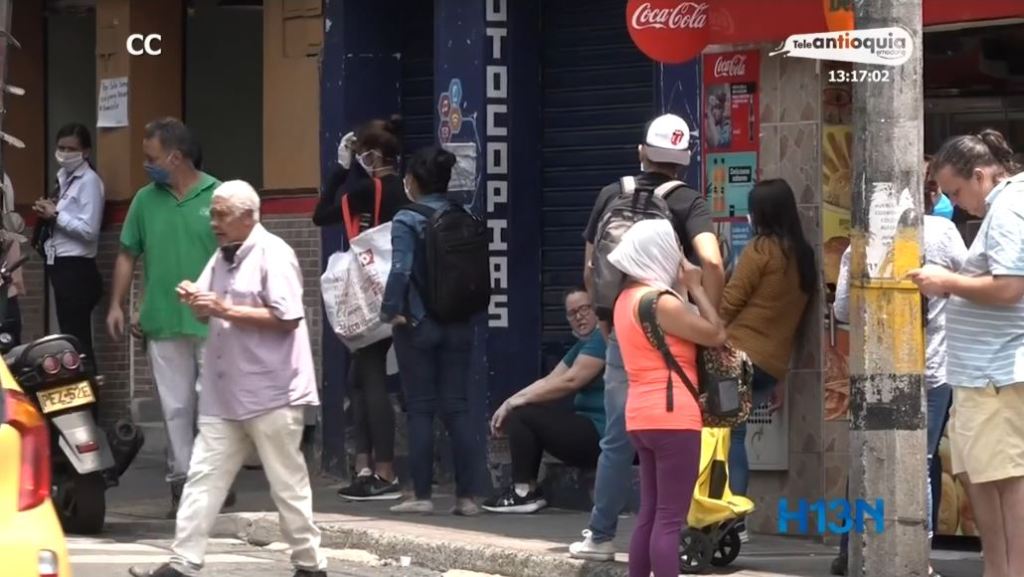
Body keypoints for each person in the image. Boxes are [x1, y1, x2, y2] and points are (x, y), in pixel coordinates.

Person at [129, 181, 326, 577]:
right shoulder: (220, 256)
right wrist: (198, 302)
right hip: (224, 393)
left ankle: (309, 562)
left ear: (249, 217)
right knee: (203, 478)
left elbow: (286, 318)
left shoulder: (275, 254)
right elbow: (208, 308)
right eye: (213, 214)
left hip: (272, 392)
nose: (214, 222)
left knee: (286, 484)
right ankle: (183, 561)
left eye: (222, 215)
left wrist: (222, 307)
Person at [570, 113, 724, 560]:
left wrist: (605, 318)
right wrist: (702, 311)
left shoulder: (608, 194)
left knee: (618, 437)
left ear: (641, 152)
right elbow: (711, 263)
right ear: (685, 162)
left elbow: (590, 265)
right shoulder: (688, 201)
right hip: (675, 328)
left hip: (622, 321)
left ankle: (599, 535)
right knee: (701, 426)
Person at [831, 160, 967, 577]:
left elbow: (840, 309)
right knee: (921, 461)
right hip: (933, 369)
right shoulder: (943, 232)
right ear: (930, 193)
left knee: (867, 459)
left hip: (876, 373)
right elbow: (967, 288)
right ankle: (916, 558)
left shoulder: (861, 241)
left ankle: (851, 551)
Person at [908, 129, 1024, 577]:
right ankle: (999, 568)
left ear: (980, 176)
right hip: (985, 373)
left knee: (1007, 480)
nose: (956, 203)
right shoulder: (1004, 206)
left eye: (956, 191)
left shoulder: (1009, 207)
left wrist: (948, 282)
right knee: (987, 477)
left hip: (997, 372)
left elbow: (1011, 286)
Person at [106, 117, 231, 517]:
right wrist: (118, 304)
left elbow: (236, 256)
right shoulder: (145, 200)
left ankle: (214, 481)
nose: (147, 164)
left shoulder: (219, 196)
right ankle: (183, 485)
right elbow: (128, 253)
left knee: (213, 403)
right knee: (175, 407)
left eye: (152, 157)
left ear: (176, 157)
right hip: (162, 319)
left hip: (211, 318)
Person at [607, 219, 725, 577]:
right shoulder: (660, 303)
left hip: (641, 416)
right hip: (674, 418)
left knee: (650, 512)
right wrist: (697, 287)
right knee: (671, 518)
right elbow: (716, 334)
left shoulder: (625, 300)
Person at [380, 145, 483, 516]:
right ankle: (467, 498)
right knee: (458, 409)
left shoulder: (406, 219)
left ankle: (420, 495)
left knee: (421, 409)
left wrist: (390, 311)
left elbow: (401, 270)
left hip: (419, 324)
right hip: (460, 322)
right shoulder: (463, 214)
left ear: (412, 182)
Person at [313, 115, 407, 501]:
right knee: (361, 379)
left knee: (370, 380)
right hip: (400, 292)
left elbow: (320, 215)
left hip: (369, 296)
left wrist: (339, 169)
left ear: (368, 154)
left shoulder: (363, 192)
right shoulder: (407, 189)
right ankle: (365, 465)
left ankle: (382, 472)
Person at [719, 179, 816, 542]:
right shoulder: (803, 256)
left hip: (736, 359)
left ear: (761, 213)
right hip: (769, 366)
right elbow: (792, 323)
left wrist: (701, 327)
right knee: (734, 437)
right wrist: (782, 376)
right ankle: (734, 519)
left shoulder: (762, 249)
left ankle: (730, 519)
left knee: (724, 439)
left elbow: (730, 301)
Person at [484, 286, 606, 514]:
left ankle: (523, 492)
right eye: (572, 313)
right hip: (590, 430)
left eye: (584, 308)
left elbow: (571, 381)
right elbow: (551, 379)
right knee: (525, 409)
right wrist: (511, 401)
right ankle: (526, 489)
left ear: (596, 309)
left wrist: (514, 404)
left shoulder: (603, 339)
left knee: (525, 414)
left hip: (602, 434)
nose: (579, 316)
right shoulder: (584, 344)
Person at [31, 123, 105, 369]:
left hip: (77, 267)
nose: (64, 153)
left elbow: (89, 230)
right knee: (68, 337)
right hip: (60, 264)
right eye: (61, 147)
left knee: (78, 341)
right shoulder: (63, 178)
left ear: (85, 151)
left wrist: (56, 215)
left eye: (71, 148)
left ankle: (88, 398)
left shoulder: (89, 182)